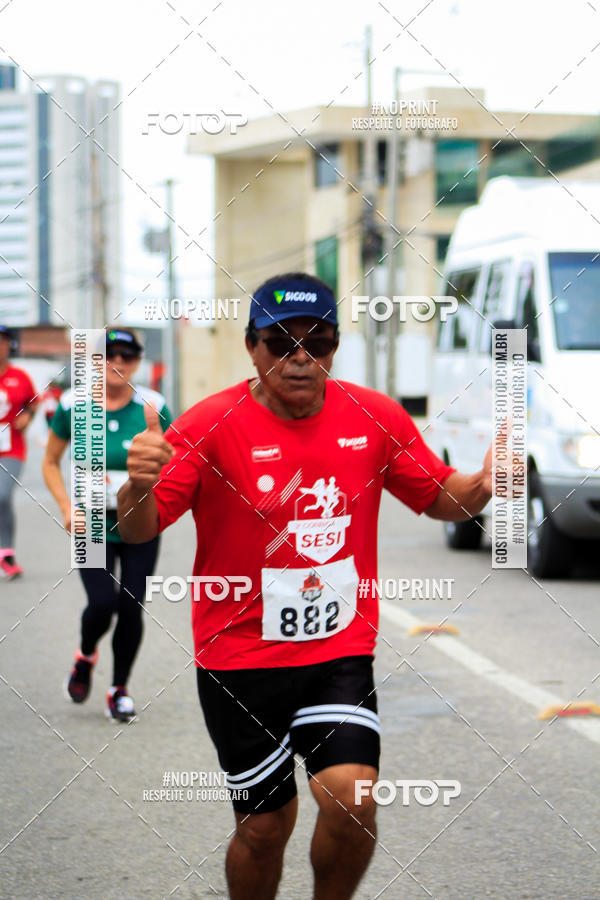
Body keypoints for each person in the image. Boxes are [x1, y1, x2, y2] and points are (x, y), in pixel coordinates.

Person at [118, 273, 494, 899]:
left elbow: (437, 498)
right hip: (238, 657)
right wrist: (135, 488)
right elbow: (140, 530)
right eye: (280, 342)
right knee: (265, 829)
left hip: (337, 649)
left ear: (335, 346)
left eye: (318, 343)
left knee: (353, 798)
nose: (300, 358)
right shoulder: (211, 425)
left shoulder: (374, 415)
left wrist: (481, 487)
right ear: (252, 348)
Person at [42, 328, 172, 721]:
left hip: (139, 524)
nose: (118, 363)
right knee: (102, 603)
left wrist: (157, 469)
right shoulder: (74, 405)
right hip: (91, 523)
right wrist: (67, 507)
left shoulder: (154, 405)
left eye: (127, 356)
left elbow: (174, 461)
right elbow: (50, 462)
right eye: (108, 355)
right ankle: (85, 657)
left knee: (131, 606)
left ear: (137, 362)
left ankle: (119, 689)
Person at [0, 325, 38, 579]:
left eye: (3, 341)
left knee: (2, 496)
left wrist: (27, 416)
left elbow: (32, 402)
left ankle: (6, 553)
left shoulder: (20, 376)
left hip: (11, 448)